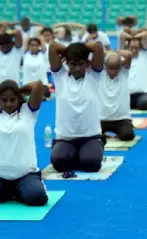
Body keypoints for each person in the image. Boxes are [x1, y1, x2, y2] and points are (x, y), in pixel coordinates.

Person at [48, 41, 105, 173]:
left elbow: (97, 46)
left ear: (87, 63)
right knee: (59, 163)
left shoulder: (93, 76)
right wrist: (71, 51)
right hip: (65, 138)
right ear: (67, 63)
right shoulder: (60, 76)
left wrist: (77, 50)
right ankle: (76, 155)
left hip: (90, 137)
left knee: (91, 164)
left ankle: (88, 153)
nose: (77, 68)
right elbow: (53, 46)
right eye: (73, 64)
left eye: (81, 64)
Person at [100, 51, 135, 141]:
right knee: (91, 136)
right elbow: (94, 53)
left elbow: (128, 55)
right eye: (110, 68)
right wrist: (110, 54)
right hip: (101, 119)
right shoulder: (100, 73)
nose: (113, 72)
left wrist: (114, 52)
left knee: (128, 135)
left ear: (120, 66)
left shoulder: (124, 72)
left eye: (116, 68)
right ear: (105, 66)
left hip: (121, 119)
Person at [124, 32, 147, 110]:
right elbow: (122, 35)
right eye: (131, 48)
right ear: (127, 47)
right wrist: (132, 37)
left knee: (145, 104)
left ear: (140, 48)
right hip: (127, 94)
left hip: (142, 93)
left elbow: (146, 34)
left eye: (136, 48)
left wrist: (134, 36)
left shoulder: (144, 54)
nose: (134, 50)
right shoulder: (124, 56)